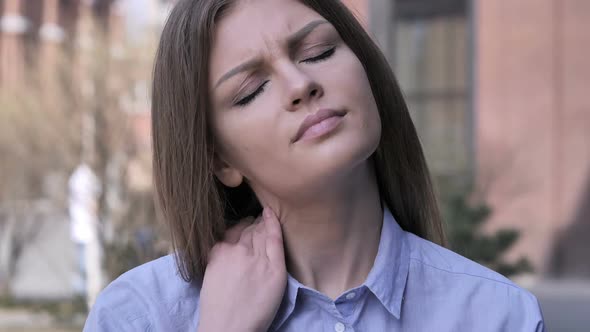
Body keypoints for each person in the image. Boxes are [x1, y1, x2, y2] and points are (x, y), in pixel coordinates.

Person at [84, 0, 546, 331]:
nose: (300, 84)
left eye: (318, 52)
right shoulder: (139, 316)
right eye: (250, 90)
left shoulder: (498, 315)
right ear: (219, 159)